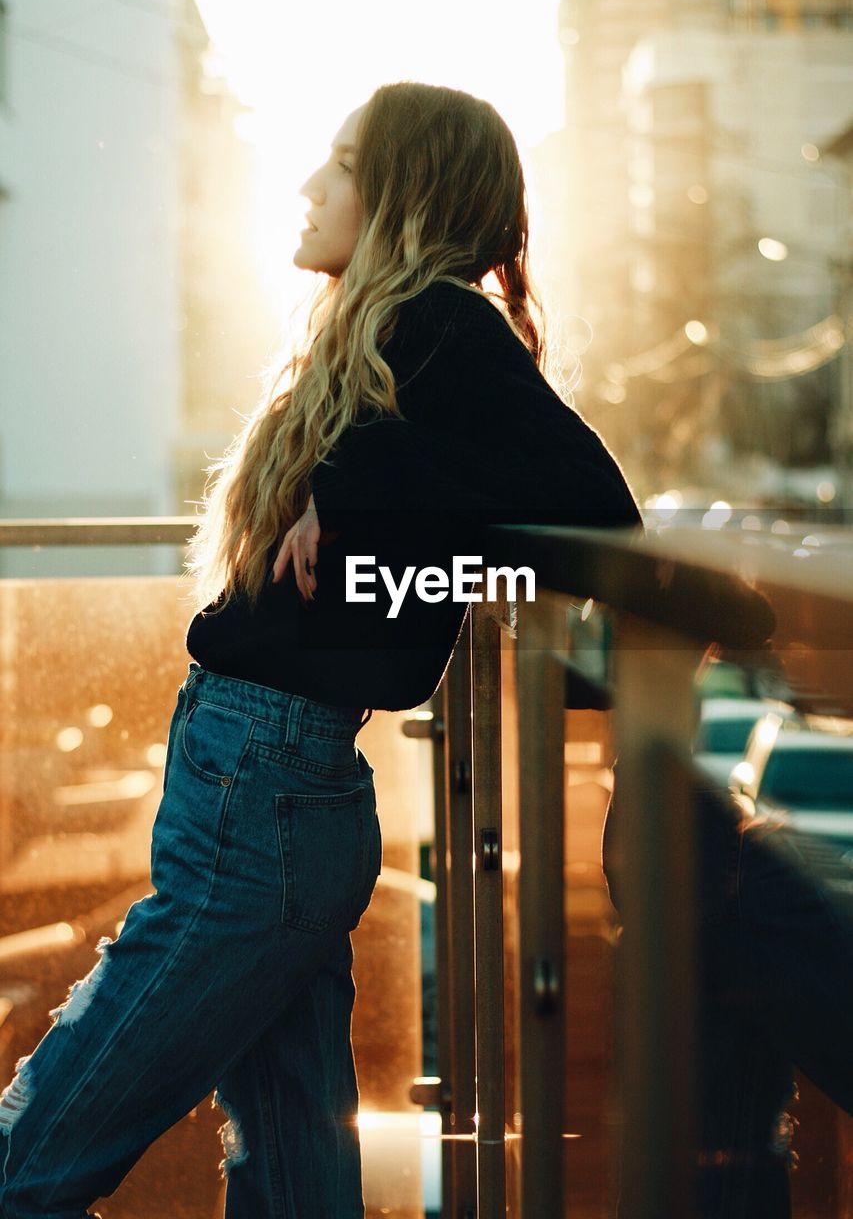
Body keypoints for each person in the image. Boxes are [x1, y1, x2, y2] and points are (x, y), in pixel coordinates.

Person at [0, 81, 641, 1218]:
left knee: (33, 1151)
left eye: (339, 165)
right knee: (294, 1163)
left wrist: (370, 504)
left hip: (269, 800)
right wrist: (369, 500)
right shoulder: (389, 337)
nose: (304, 186)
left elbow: (596, 517)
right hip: (260, 785)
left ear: (403, 194)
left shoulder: (442, 324)